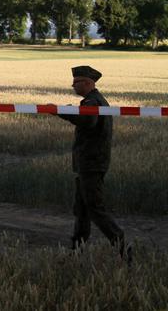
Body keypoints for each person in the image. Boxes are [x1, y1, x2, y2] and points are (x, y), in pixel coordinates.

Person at [53, 66, 128, 258]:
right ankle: (77, 250)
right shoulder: (93, 100)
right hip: (89, 162)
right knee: (82, 209)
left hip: (92, 163)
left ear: (87, 83)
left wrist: (62, 111)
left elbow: (88, 121)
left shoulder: (93, 101)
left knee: (94, 208)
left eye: (76, 82)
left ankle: (122, 245)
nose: (73, 86)